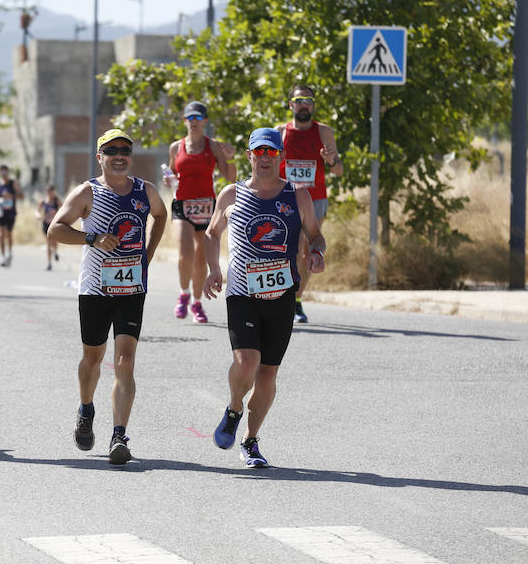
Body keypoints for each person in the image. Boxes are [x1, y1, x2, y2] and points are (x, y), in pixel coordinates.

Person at [203, 128, 325, 468]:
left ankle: (251, 440)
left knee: (268, 374)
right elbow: (212, 234)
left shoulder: (298, 195)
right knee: (246, 362)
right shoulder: (231, 194)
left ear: (281, 158)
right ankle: (233, 408)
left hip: (281, 294)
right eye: (259, 152)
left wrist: (317, 253)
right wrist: (213, 269)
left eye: (272, 153)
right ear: (249, 156)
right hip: (242, 292)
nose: (265, 159)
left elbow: (316, 235)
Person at [48, 129, 167, 465]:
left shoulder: (146, 191)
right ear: (99, 156)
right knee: (93, 359)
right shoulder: (88, 191)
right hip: (95, 288)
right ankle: (86, 407)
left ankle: (119, 435)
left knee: (125, 360)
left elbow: (161, 215)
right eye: (111, 150)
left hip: (132, 287)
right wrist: (92, 238)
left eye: (125, 150)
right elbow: (55, 229)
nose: (119, 155)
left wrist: (148, 252)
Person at [166, 101, 236, 323]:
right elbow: (171, 172)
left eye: (198, 118)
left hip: (207, 205)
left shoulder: (213, 146)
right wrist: (167, 178)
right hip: (183, 204)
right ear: (185, 121)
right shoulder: (176, 147)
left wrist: (231, 157)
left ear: (205, 121)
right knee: (185, 253)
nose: (194, 122)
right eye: (190, 118)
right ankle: (183, 294)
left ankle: (197, 303)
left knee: (200, 259)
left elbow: (230, 177)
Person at [277, 85, 342, 323]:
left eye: (308, 100)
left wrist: (331, 160)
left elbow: (338, 170)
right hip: (285, 200)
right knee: (286, 251)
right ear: (291, 104)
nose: (304, 104)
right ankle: (282, 296)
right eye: (299, 99)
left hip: (314, 199)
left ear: (313, 105)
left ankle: (295, 301)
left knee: (306, 251)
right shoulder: (280, 132)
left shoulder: (324, 132)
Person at [0, 164, 23, 267]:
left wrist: (12, 196)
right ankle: (2, 256)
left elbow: (21, 196)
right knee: (2, 234)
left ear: (8, 172)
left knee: (9, 234)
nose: (3, 173)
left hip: (11, 212)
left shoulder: (13, 183)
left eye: (5, 171)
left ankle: (10, 253)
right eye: (1, 171)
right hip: (1, 211)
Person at [36, 183, 61, 270]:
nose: (49, 192)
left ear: (53, 191)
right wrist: (38, 215)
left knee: (54, 242)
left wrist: (57, 214)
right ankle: (49, 263)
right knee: (49, 242)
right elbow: (37, 211)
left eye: (51, 191)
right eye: (48, 191)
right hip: (46, 224)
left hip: (54, 225)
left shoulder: (56, 201)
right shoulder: (43, 201)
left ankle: (55, 251)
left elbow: (63, 210)